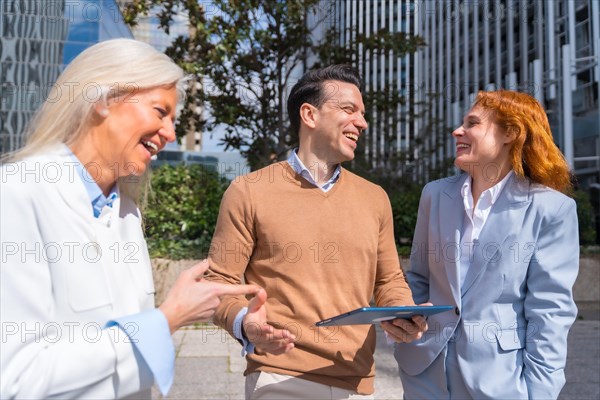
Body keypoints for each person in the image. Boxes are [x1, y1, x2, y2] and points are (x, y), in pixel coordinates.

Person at [0, 39, 260, 399]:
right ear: (105, 99)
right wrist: (167, 318)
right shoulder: (17, 194)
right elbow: (15, 378)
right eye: (160, 111)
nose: (170, 134)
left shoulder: (125, 211)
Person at [205, 65, 428, 400]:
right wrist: (247, 324)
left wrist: (402, 312)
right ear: (309, 114)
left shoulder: (375, 198)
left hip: (357, 381)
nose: (362, 123)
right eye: (349, 110)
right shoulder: (249, 191)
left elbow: (388, 281)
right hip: (280, 376)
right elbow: (219, 285)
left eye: (363, 114)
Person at [394, 90, 579, 399]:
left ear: (510, 133)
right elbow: (419, 278)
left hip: (500, 381)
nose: (457, 131)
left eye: (472, 123)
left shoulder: (551, 209)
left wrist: (540, 392)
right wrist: (402, 322)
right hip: (425, 375)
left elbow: (549, 313)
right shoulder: (436, 195)